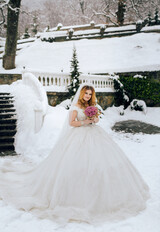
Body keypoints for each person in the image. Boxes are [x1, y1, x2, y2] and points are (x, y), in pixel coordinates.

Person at [0, 83, 150, 225]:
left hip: (95, 135)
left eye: (90, 94)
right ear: (82, 93)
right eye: (86, 93)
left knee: (101, 163)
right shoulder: (76, 106)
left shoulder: (92, 106)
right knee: (76, 164)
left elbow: (96, 120)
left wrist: (94, 118)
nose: (87, 96)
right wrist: (86, 121)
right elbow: (72, 123)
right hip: (78, 136)